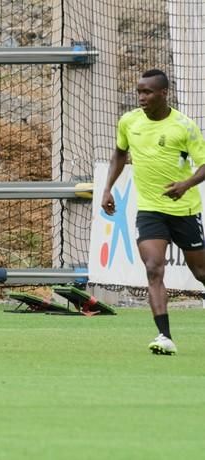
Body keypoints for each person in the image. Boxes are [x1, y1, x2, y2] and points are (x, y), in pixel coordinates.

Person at [102, 68, 205, 355]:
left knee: (200, 271)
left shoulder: (183, 126)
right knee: (153, 268)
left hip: (184, 210)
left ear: (163, 93)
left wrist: (186, 184)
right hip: (149, 209)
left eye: (147, 92)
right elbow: (120, 154)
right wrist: (107, 188)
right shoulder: (129, 121)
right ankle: (164, 336)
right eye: (139, 91)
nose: (141, 97)